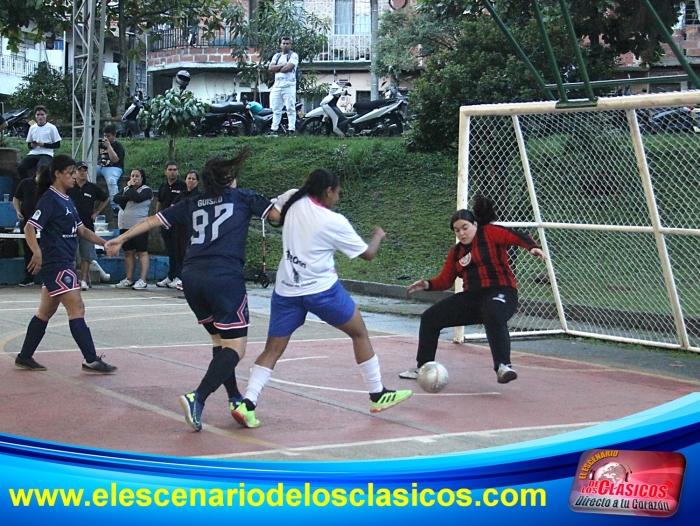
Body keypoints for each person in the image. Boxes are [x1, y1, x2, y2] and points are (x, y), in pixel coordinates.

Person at [105, 150, 284, 432]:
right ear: (229, 179)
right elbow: (277, 216)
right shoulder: (243, 197)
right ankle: (197, 397)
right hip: (224, 278)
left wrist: (122, 237)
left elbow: (154, 220)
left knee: (220, 343)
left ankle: (235, 399)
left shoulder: (192, 202)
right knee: (236, 348)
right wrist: (293, 202)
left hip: (192, 278)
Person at [231, 168, 412, 429]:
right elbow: (367, 255)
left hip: (286, 290)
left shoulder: (293, 198)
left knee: (273, 349)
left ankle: (248, 404)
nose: (337, 198)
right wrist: (377, 237)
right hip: (322, 291)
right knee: (359, 332)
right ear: (328, 191)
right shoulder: (333, 221)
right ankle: (377, 394)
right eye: (337, 193)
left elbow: (272, 215)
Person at [398, 196, 547, 384]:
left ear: (475, 224)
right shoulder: (456, 252)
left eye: (465, 227)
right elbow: (445, 280)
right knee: (430, 318)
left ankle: (503, 366)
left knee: (493, 311)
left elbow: (517, 236)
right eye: (457, 230)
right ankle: (423, 367)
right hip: (472, 298)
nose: (461, 233)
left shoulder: (490, 233)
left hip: (501, 291)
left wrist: (532, 248)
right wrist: (427, 284)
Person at [14, 154, 117, 373]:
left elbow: (82, 229)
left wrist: (104, 243)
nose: (74, 177)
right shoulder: (50, 199)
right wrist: (37, 252)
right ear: (57, 174)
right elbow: (29, 227)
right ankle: (91, 359)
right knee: (77, 307)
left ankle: (24, 356)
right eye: (70, 173)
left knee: (45, 312)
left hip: (64, 261)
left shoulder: (67, 200)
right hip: (57, 263)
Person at [67, 161, 109, 290]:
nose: (83, 173)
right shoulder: (70, 187)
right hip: (71, 226)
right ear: (75, 172)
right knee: (71, 255)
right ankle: (72, 279)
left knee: (86, 255)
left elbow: (106, 198)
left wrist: (97, 212)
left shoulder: (92, 187)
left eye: (85, 170)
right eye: (80, 170)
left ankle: (83, 280)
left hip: (87, 226)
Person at [113, 168, 153, 290]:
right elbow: (116, 198)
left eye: (137, 176)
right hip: (125, 226)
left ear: (142, 178)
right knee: (128, 252)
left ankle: (142, 279)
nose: (134, 178)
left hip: (140, 226)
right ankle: (129, 278)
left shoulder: (146, 190)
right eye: (132, 176)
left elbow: (136, 197)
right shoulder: (126, 189)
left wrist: (129, 190)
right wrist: (128, 193)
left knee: (141, 252)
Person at [155, 162, 187, 289]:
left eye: (175, 169)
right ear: (165, 171)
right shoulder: (163, 186)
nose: (172, 172)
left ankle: (179, 276)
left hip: (177, 223)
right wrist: (157, 219)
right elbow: (159, 203)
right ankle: (171, 275)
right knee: (170, 250)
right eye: (170, 169)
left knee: (178, 250)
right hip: (165, 221)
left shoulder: (182, 186)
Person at [172, 169, 202, 291]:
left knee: (188, 255)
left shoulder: (199, 195)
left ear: (197, 181)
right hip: (179, 228)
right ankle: (181, 278)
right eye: (188, 178)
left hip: (191, 229)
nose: (190, 181)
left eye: (193, 179)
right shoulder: (182, 194)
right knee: (178, 254)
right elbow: (173, 207)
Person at [12, 169, 41, 286]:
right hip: (28, 220)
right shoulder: (25, 183)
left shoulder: (48, 186)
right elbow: (16, 198)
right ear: (37, 173)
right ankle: (30, 276)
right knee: (28, 249)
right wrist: (18, 211)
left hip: (44, 222)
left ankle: (47, 275)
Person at [17, 106, 61, 180]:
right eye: (38, 115)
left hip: (46, 153)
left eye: (42, 114)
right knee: (21, 167)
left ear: (46, 115)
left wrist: (44, 144)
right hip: (34, 153)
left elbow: (57, 144)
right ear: (35, 116)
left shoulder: (51, 127)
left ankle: (40, 185)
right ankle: (28, 183)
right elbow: (29, 145)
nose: (40, 117)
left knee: (42, 167)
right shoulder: (32, 127)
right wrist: (32, 145)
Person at [267, 36, 299, 137]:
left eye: (287, 43)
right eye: (283, 43)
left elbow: (288, 68)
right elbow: (271, 68)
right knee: (276, 108)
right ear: (280, 44)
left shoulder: (293, 56)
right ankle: (274, 129)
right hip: (277, 86)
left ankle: (291, 130)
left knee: (290, 108)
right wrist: (281, 66)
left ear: (290, 45)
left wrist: (278, 67)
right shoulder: (276, 56)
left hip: (289, 85)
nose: (285, 45)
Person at [94, 124, 126, 216]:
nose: (106, 138)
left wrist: (109, 147)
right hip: (100, 166)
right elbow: (95, 158)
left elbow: (115, 160)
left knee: (111, 181)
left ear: (114, 136)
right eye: (105, 136)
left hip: (114, 167)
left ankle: (115, 206)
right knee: (87, 173)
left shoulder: (118, 146)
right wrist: (97, 146)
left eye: (108, 136)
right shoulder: (101, 145)